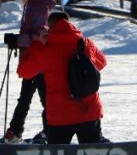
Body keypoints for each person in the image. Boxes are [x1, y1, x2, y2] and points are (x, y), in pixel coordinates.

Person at [17, 11, 108, 144]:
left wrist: (38, 44)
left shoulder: (46, 49)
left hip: (60, 115)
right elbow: (101, 63)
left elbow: (24, 71)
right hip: (88, 110)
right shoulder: (85, 43)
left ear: (50, 27)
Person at [2, 0, 56, 144]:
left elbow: (41, 35)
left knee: (43, 97)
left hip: (40, 60)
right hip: (33, 60)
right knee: (26, 97)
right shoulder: (32, 4)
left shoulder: (38, 4)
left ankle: (49, 131)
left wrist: (19, 39)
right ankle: (16, 131)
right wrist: (19, 40)